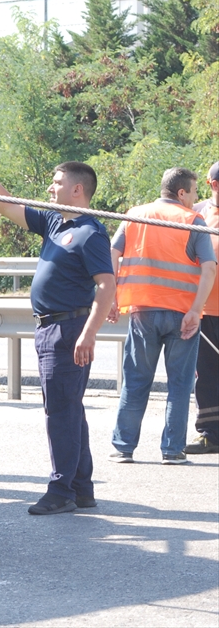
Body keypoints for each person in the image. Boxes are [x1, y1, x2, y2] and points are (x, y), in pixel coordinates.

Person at [0, 143, 115, 515]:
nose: (51, 187)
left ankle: (61, 489)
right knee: (69, 408)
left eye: (56, 181)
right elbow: (6, 206)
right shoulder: (54, 222)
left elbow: (106, 284)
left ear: (77, 189)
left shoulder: (89, 232)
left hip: (69, 330)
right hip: (49, 328)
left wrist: (89, 332)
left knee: (61, 412)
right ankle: (81, 487)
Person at [109, 167, 218, 464]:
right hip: (183, 314)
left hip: (142, 311)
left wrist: (113, 297)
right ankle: (172, 451)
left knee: (135, 381)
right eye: (194, 192)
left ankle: (123, 448)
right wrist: (197, 310)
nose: (196, 198)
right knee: (179, 385)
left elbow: (112, 254)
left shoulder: (135, 214)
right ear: (181, 192)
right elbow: (209, 267)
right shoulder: (193, 220)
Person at [186, 161, 219, 454]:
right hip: (207, 308)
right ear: (213, 185)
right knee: (207, 374)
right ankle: (210, 433)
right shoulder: (197, 214)